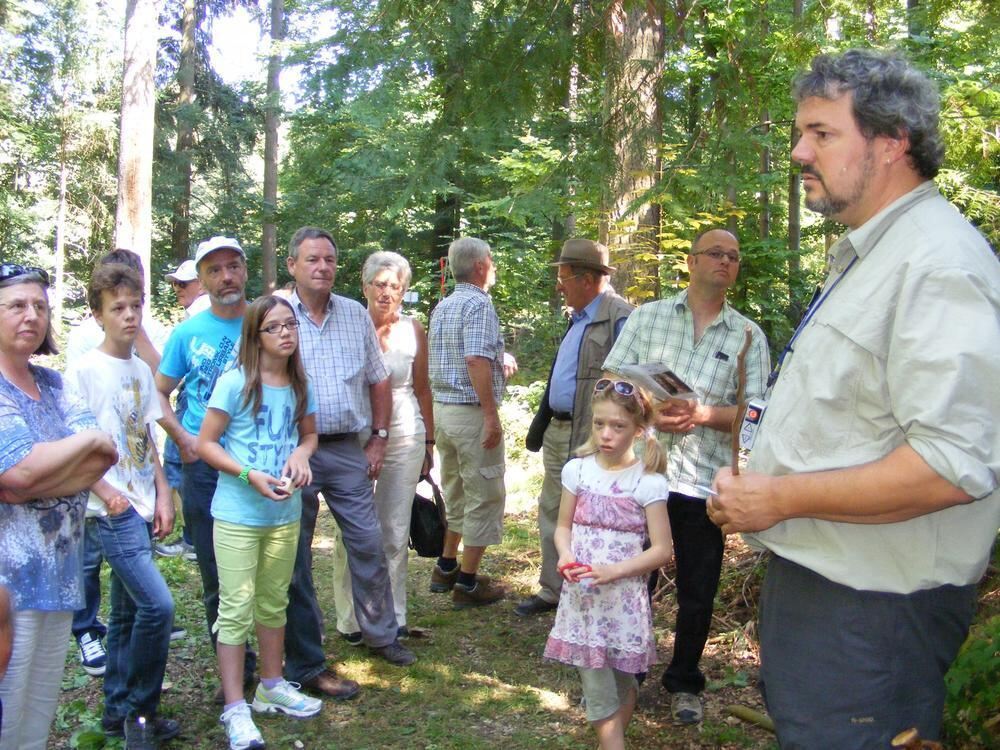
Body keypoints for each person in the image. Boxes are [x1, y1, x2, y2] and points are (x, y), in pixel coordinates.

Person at [709, 49, 1000, 748]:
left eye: (822, 133)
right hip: (833, 591)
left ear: (892, 141)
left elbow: (952, 466)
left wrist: (778, 499)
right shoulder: (875, 255)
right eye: (800, 132)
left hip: (875, 614)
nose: (798, 151)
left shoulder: (938, 266)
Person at [602, 228, 769, 724]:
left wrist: (704, 415)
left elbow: (758, 413)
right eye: (716, 253)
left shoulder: (747, 336)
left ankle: (684, 681)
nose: (726, 262)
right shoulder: (649, 317)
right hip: (644, 473)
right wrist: (649, 411)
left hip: (702, 481)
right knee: (635, 577)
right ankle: (629, 667)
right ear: (691, 261)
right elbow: (610, 381)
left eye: (734, 257)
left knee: (699, 586)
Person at [282, 225, 414, 686]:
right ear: (292, 265)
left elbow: (379, 378)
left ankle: (381, 635)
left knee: (366, 539)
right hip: (293, 449)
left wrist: (378, 436)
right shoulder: (278, 315)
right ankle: (303, 647)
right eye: (312, 259)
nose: (322, 267)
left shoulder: (354, 313)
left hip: (345, 447)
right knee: (292, 553)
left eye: (329, 260)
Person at [0, 262, 118, 750]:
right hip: (9, 584)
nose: (31, 315)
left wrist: (34, 480)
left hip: (60, 574)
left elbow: (104, 454)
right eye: (16, 305)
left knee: (39, 708)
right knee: (6, 710)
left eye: (40, 306)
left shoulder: (53, 384)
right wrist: (80, 446)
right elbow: (18, 474)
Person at [198, 296, 322, 750]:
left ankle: (271, 686)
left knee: (274, 603)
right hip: (236, 515)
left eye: (291, 325)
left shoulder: (298, 382)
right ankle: (235, 707)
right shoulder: (235, 383)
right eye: (275, 327)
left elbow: (309, 435)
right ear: (256, 337)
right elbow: (206, 444)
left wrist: (301, 454)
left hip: (284, 514)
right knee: (234, 611)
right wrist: (248, 475)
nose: (287, 333)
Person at [63, 263, 180, 746]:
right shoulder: (84, 371)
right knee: (159, 607)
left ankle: (115, 709)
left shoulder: (138, 369)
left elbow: (145, 436)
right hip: (111, 511)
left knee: (130, 612)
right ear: (97, 315)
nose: (129, 316)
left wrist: (163, 493)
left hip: (141, 500)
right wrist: (106, 493)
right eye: (118, 309)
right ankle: (140, 713)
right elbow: (76, 444)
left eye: (135, 306)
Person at [544, 378, 673, 750]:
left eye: (618, 426)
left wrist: (613, 571)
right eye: (599, 424)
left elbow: (662, 550)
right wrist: (566, 555)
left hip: (624, 602)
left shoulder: (647, 482)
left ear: (638, 430)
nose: (606, 434)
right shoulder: (578, 471)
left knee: (622, 681)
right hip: (584, 602)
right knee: (598, 690)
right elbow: (563, 527)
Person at [155, 236, 258, 698]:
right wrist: (183, 440)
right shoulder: (187, 333)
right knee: (216, 572)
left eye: (233, 267)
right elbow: (158, 390)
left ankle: (292, 663)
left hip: (260, 462)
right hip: (204, 469)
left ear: (244, 270)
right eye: (214, 271)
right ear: (203, 279)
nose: (226, 277)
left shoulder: (265, 322)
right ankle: (235, 670)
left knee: (280, 567)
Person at [519, 239, 633, 617]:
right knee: (554, 510)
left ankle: (589, 591)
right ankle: (554, 590)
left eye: (564, 276)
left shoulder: (621, 317)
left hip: (595, 439)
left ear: (587, 279)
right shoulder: (578, 317)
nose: (559, 284)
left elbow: (632, 386)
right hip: (559, 432)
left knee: (596, 515)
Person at [334, 251, 434, 639]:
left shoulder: (413, 330)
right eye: (380, 284)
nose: (386, 292)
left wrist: (429, 442)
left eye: (395, 286)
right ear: (365, 287)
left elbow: (423, 389)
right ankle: (350, 618)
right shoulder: (346, 326)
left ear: (404, 291)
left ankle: (393, 615)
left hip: (405, 434)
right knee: (353, 529)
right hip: (354, 435)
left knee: (394, 528)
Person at [428, 237, 517, 608]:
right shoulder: (479, 304)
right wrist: (490, 414)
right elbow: (475, 360)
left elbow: (470, 356)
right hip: (469, 413)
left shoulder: (444, 305)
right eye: (491, 261)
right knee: (485, 493)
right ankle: (468, 582)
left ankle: (446, 565)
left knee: (457, 489)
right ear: (481, 266)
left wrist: (500, 358)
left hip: (443, 412)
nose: (493, 266)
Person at [155, 259, 209, 560]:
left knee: (181, 464)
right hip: (192, 398)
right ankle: (193, 537)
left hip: (195, 399)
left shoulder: (198, 316)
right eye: (175, 283)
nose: (177, 288)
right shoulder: (199, 314)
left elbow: (167, 375)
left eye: (183, 283)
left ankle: (191, 539)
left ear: (200, 283)